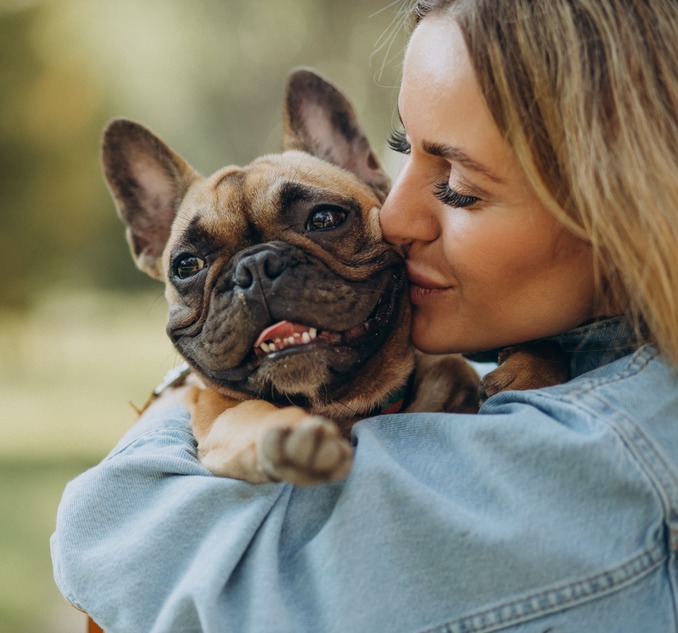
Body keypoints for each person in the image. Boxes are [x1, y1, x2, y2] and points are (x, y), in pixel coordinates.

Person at [52, 1, 678, 632]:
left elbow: (108, 542)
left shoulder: (601, 457)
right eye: (404, 150)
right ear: (151, 243)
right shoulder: (551, 373)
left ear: (617, 195)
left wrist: (176, 408)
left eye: (460, 182)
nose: (394, 216)